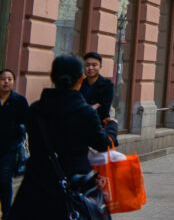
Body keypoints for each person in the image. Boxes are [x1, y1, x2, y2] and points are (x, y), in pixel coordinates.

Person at [9, 56, 110, 219]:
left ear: (52, 77)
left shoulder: (36, 109)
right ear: (80, 79)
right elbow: (102, 144)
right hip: (71, 189)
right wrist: (110, 126)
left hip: (34, 189)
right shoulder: (86, 113)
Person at [0, 68, 28, 215]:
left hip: (10, 148)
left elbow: (27, 123)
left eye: (9, 79)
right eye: (3, 79)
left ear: (13, 82)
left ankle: (7, 213)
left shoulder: (19, 101)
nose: (6, 82)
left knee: (4, 180)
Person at [79, 52, 115, 134]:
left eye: (94, 65)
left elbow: (104, 109)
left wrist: (83, 109)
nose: (90, 68)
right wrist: (92, 107)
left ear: (100, 67)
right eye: (87, 65)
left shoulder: (107, 85)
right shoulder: (80, 84)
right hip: (80, 126)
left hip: (98, 127)